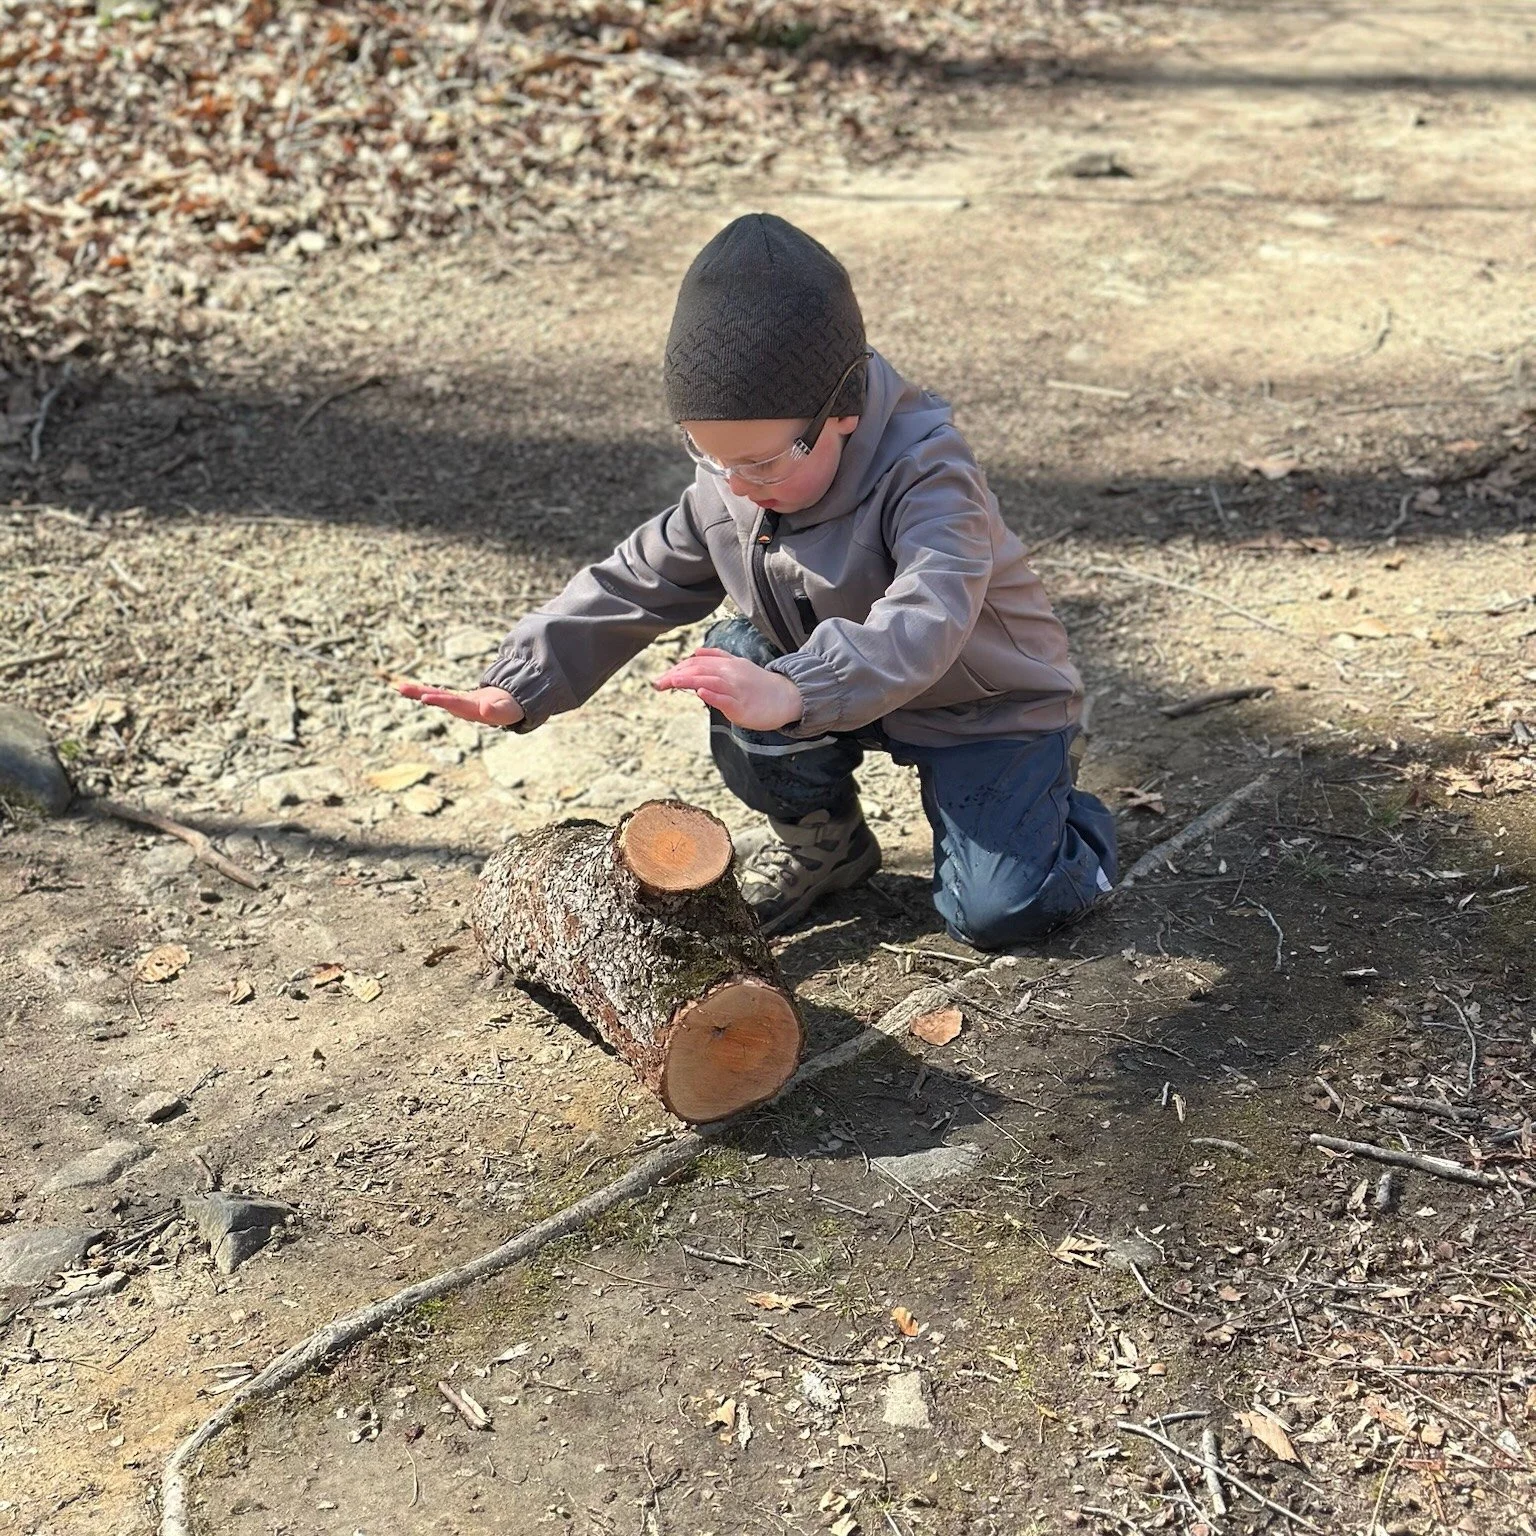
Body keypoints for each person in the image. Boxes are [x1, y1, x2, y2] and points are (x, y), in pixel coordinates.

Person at [399, 213, 1115, 947]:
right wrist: (524, 680)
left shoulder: (931, 477)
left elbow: (928, 615)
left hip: (982, 710)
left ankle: (1064, 824)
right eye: (710, 456)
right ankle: (829, 845)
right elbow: (635, 579)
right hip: (827, 690)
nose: (738, 486)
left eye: (762, 463)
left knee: (999, 914)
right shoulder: (732, 485)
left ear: (843, 411)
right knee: (734, 656)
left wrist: (797, 690)